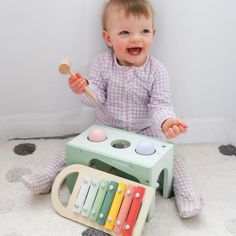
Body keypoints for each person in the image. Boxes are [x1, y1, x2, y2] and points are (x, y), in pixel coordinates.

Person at [22, 0, 202, 218]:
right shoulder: (101, 64)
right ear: (108, 38)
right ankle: (47, 176)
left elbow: (160, 104)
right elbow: (95, 99)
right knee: (69, 148)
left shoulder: (157, 71)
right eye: (125, 32)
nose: (136, 38)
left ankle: (188, 194)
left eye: (144, 31)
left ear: (153, 34)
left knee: (175, 160)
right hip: (106, 130)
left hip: (145, 131)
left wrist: (167, 121)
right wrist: (84, 89)